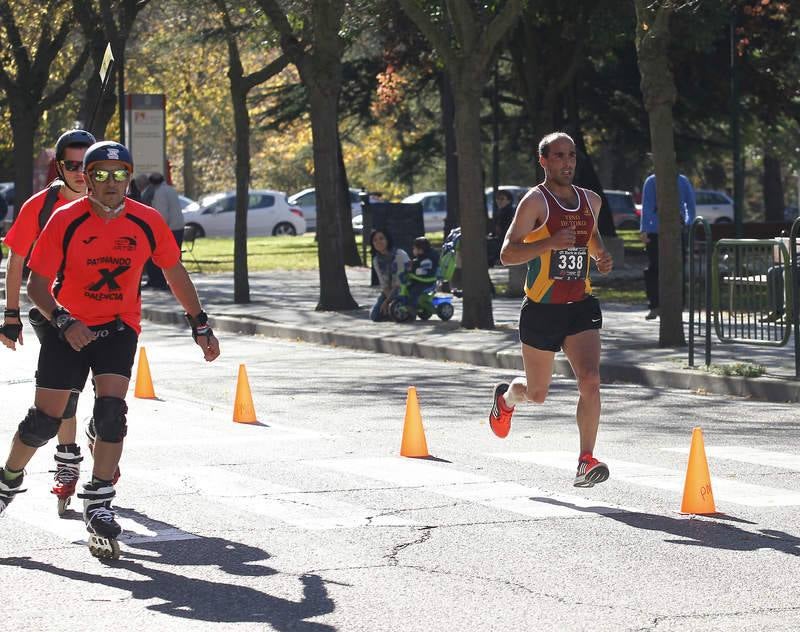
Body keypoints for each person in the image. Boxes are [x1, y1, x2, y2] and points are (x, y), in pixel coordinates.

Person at [0, 141, 221, 560]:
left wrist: (200, 323)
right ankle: (7, 482)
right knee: (43, 423)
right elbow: (37, 286)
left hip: (118, 329)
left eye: (119, 175)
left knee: (110, 414)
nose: (110, 183)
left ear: (130, 178)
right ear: (87, 177)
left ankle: (99, 501)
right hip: (68, 328)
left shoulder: (147, 220)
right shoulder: (65, 219)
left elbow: (173, 270)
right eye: (99, 174)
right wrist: (64, 321)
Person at [488, 132, 614, 488]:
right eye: (558, 156)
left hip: (580, 305)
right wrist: (547, 242)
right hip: (542, 309)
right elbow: (507, 254)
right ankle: (508, 397)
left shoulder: (591, 200)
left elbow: (591, 240)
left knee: (590, 381)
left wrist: (600, 257)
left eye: (571, 155)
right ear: (543, 160)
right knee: (538, 394)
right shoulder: (535, 202)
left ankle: (585, 460)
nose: (567, 162)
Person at [1, 129, 96, 513]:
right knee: (64, 395)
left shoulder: (109, 201)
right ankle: (67, 462)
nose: (79, 173)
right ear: (60, 167)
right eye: (71, 165)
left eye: (84, 164)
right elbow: (16, 261)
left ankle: (86, 444)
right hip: (50, 308)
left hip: (100, 310)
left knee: (102, 404)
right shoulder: (40, 207)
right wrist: (10, 314)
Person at [639, 169, 696, 320]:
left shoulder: (682, 181)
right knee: (654, 268)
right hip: (655, 232)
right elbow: (647, 207)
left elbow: (690, 206)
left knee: (678, 268)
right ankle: (655, 305)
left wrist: (687, 223)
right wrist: (645, 229)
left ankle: (678, 306)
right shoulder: (651, 181)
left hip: (678, 231)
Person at [144, 172, 185, 289]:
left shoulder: (159, 193)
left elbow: (163, 214)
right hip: (178, 227)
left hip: (169, 229)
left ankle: (159, 281)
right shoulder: (170, 190)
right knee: (175, 258)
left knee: (160, 256)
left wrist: (158, 230)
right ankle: (177, 283)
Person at [369, 228, 410, 322]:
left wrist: (388, 302)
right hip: (389, 291)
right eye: (375, 240)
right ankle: (392, 312)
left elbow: (399, 282)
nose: (378, 242)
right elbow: (384, 284)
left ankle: (404, 311)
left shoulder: (399, 254)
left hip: (404, 289)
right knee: (375, 316)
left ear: (387, 239)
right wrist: (388, 300)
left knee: (392, 307)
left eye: (381, 238)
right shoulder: (376, 260)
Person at [403, 236, 439, 312]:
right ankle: (416, 303)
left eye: (414, 248)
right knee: (409, 286)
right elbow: (416, 264)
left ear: (420, 250)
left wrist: (414, 271)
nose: (413, 250)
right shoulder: (420, 258)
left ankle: (412, 307)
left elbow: (425, 271)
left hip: (427, 281)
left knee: (415, 291)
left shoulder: (427, 260)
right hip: (420, 280)